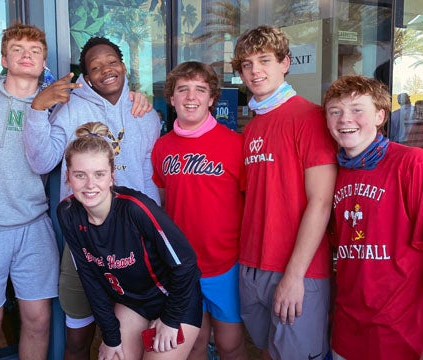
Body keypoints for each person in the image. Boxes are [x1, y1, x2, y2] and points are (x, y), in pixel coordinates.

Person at [23, 36, 161, 359]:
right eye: (95, 67)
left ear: (124, 65)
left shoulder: (145, 113)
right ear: (86, 76)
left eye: (112, 61)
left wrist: (153, 231)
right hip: (84, 240)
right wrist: (38, 108)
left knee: (133, 334)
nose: (106, 70)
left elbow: (149, 180)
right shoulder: (71, 109)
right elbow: (41, 161)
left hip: (133, 239)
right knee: (78, 337)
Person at [230, 25, 337, 359]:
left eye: (264, 60)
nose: (255, 70)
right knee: (266, 350)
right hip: (251, 264)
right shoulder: (254, 123)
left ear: (285, 62)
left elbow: (321, 203)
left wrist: (294, 276)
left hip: (298, 269)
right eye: (247, 64)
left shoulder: (310, 117)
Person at [57, 121, 202, 360]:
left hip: (174, 297)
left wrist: (170, 319)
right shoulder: (68, 213)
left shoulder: (136, 209)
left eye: (99, 174)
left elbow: (186, 264)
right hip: (131, 302)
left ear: (112, 176)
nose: (90, 184)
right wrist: (111, 337)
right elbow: (90, 278)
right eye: (80, 175)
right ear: (68, 177)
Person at [0, 22, 63, 360]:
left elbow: (48, 163)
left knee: (37, 321)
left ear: (43, 63)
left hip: (34, 226)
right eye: (18, 50)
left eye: (35, 51)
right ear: (5, 59)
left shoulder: (57, 107)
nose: (27, 56)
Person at [151, 61, 247, 360]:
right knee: (194, 343)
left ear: (212, 98)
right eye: (183, 89)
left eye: (200, 90)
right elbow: (165, 201)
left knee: (229, 344)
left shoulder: (236, 144)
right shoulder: (162, 146)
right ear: (171, 97)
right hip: (182, 266)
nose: (191, 97)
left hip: (224, 263)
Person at [323, 75, 423, 360]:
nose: (345, 119)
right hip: (346, 329)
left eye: (357, 109)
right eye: (335, 111)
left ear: (380, 115)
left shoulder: (411, 163)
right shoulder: (333, 173)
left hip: (398, 333)